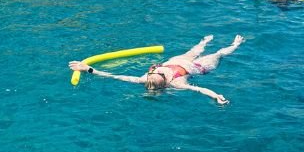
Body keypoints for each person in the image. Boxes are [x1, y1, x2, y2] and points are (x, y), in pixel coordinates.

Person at [69, 35, 245, 105]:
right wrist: (215, 96)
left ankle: (204, 42)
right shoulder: (177, 83)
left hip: (178, 61)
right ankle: (234, 44)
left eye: (152, 71)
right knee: (219, 54)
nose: (153, 69)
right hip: (198, 68)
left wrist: (89, 69)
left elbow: (115, 76)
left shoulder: (144, 79)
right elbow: (199, 89)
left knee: (195, 50)